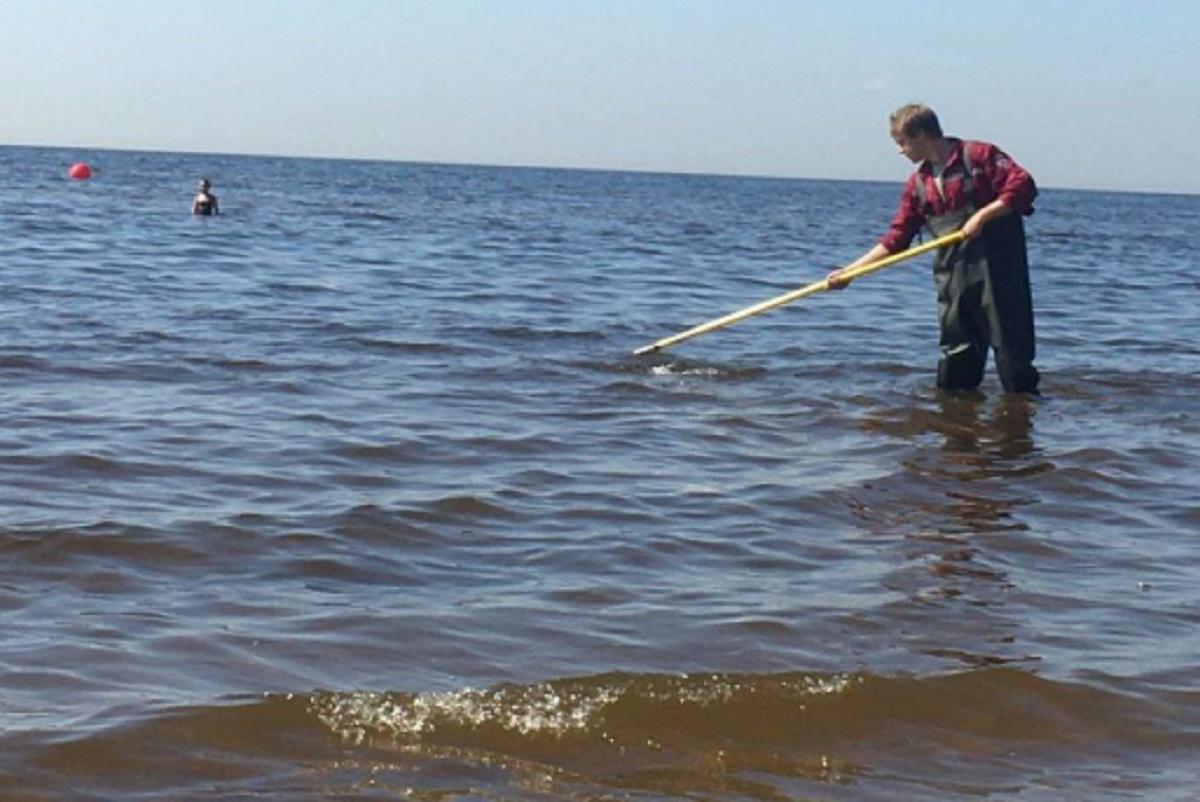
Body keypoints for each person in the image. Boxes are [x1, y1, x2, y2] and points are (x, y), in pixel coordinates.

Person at [829, 104, 1039, 394]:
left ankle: (1021, 417)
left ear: (922, 135)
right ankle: (955, 420)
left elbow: (1023, 184)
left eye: (902, 142)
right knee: (956, 365)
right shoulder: (919, 183)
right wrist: (850, 272)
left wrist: (982, 216)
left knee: (1012, 357)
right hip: (953, 279)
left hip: (999, 273)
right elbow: (897, 238)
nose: (900, 151)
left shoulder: (979, 156)